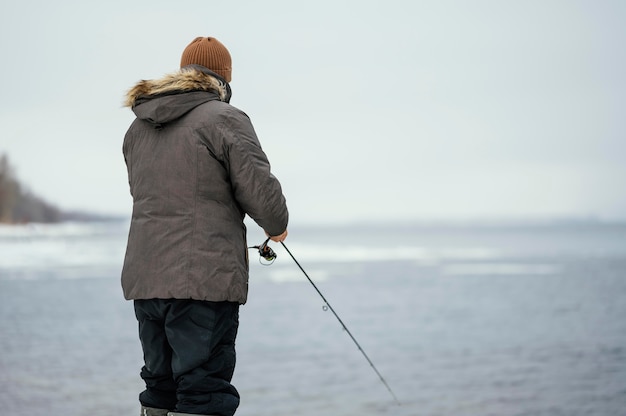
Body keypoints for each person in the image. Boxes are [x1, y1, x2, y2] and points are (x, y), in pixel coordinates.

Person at [120, 36, 289, 416]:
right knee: (203, 392)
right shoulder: (224, 118)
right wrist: (277, 226)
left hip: (146, 281)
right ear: (224, 78)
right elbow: (260, 191)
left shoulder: (136, 129)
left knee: (159, 386)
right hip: (202, 283)